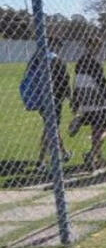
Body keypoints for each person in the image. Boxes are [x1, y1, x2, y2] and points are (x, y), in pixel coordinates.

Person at [23, 37, 73, 171]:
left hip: (39, 98)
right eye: (58, 45)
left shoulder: (36, 58)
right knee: (51, 128)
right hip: (54, 98)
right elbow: (64, 81)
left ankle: (64, 153)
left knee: (52, 126)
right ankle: (41, 160)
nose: (59, 48)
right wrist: (69, 96)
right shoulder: (56, 59)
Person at [70, 36, 106, 171]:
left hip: (84, 99)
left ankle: (99, 157)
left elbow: (76, 82)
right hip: (97, 101)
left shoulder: (80, 62)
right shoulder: (96, 63)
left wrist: (75, 102)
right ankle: (92, 154)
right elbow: (102, 85)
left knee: (96, 130)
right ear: (94, 47)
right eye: (98, 46)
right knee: (105, 129)